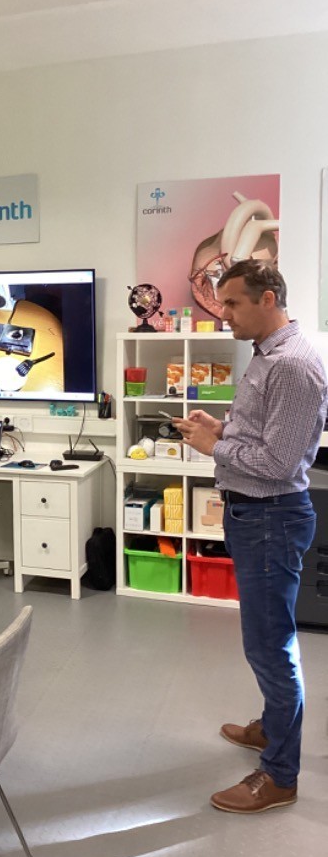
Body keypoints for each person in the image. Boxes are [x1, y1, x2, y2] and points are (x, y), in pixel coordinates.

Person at [175, 260, 327, 814]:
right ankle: (272, 726)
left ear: (268, 299)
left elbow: (279, 463)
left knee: (271, 645)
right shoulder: (267, 354)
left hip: (271, 517)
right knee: (264, 640)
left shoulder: (292, 365)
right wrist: (222, 429)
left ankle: (280, 775)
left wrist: (214, 447)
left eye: (233, 303)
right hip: (255, 516)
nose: (225, 314)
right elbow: (264, 437)